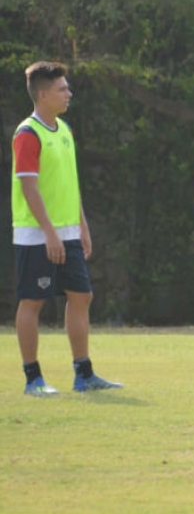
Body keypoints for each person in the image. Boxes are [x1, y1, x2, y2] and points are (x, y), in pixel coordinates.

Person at [12, 61, 123, 397]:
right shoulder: (27, 134)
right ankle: (33, 378)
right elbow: (29, 188)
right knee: (33, 301)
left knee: (82, 295)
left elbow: (69, 185)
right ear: (43, 94)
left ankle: (84, 375)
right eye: (62, 89)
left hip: (69, 231)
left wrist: (82, 226)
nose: (68, 93)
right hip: (36, 234)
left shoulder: (66, 130)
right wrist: (49, 232)